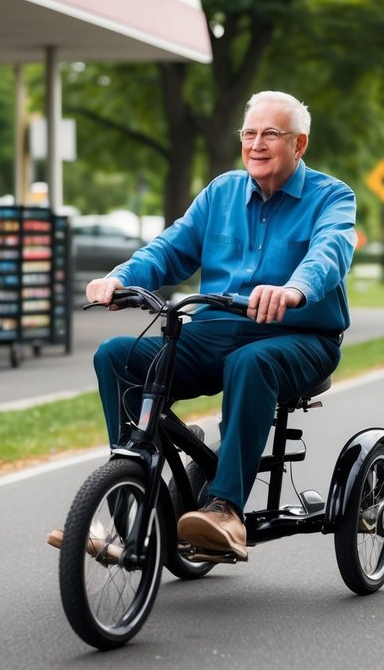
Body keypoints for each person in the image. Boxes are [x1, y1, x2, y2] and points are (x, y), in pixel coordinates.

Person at [86, 90, 357, 561]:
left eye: (271, 134)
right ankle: (130, 493)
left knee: (251, 363)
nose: (256, 143)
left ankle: (226, 510)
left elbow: (329, 252)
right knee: (116, 356)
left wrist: (293, 289)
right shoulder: (221, 192)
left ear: (299, 144)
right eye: (249, 133)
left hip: (298, 336)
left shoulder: (332, 196)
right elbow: (171, 248)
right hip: (214, 330)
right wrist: (120, 278)